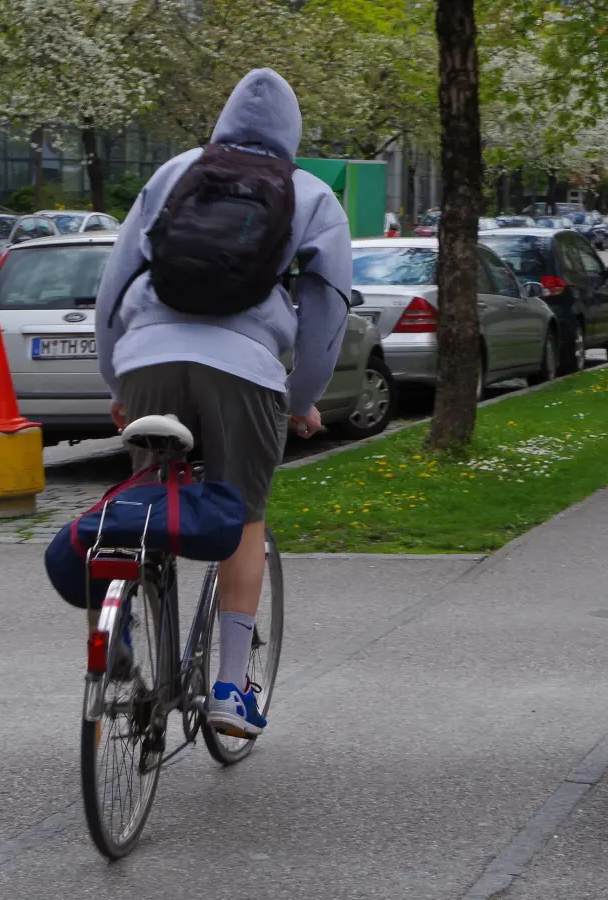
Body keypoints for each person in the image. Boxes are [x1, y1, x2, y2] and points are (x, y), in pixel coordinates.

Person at [94, 69, 351, 738]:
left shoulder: (175, 172)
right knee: (242, 518)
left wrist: (118, 384)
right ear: (292, 135)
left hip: (146, 357)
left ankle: (118, 633)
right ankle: (230, 689)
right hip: (244, 371)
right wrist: (301, 399)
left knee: (146, 509)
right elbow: (326, 312)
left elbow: (115, 283)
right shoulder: (311, 194)